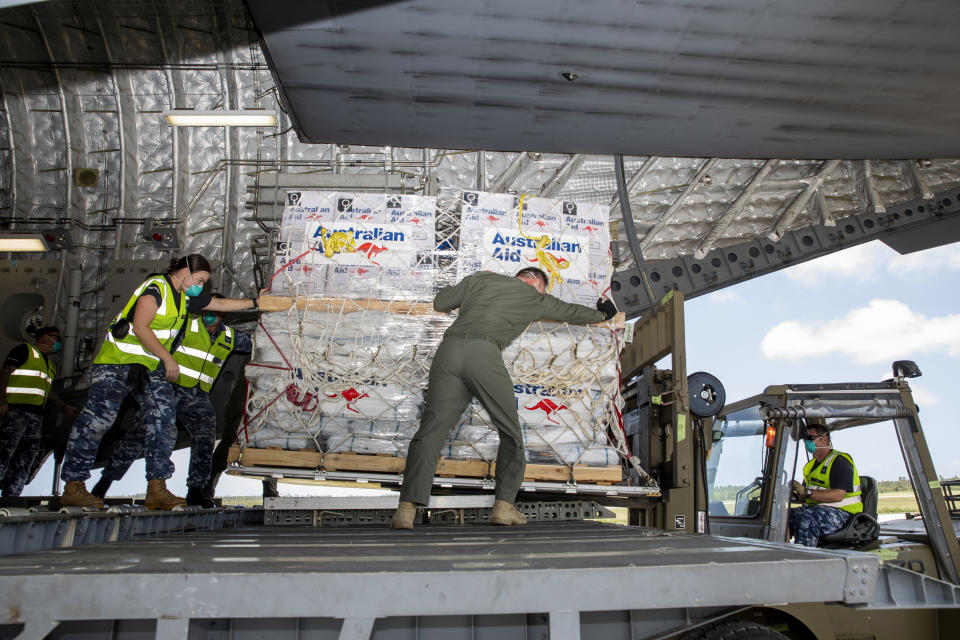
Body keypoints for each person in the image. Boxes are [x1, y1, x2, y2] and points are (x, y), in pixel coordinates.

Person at [390, 267, 618, 529]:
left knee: (431, 430)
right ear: (537, 283)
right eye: (544, 288)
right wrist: (603, 313)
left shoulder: (481, 279)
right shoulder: (535, 297)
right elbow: (573, 312)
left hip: (449, 352)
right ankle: (504, 506)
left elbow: (441, 302)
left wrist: (462, 284)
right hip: (484, 355)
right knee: (510, 431)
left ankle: (406, 510)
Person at [59, 254, 257, 510]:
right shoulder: (156, 288)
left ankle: (157, 489)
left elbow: (221, 304)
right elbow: (141, 326)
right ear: (184, 270)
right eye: (198, 280)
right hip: (119, 362)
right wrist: (167, 359)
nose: (200, 286)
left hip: (149, 367)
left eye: (204, 282)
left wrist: (255, 301)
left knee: (163, 422)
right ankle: (74, 485)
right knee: (98, 421)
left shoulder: (186, 300)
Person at [91, 299, 252, 507]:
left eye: (216, 312)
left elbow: (260, 343)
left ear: (223, 315)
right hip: (169, 388)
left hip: (197, 396)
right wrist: (140, 361)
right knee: (138, 436)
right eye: (208, 311)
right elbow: (153, 337)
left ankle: (196, 490)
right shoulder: (185, 327)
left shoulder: (230, 337)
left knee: (205, 436)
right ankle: (104, 483)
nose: (211, 315)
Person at [0, 327, 80, 496]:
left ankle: (11, 497)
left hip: (35, 417)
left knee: (25, 458)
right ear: (43, 337)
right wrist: (2, 401)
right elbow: (5, 373)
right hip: (15, 412)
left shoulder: (49, 365)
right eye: (55, 338)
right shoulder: (24, 351)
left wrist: (63, 406)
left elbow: (48, 391)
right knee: (4, 453)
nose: (58, 343)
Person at [788, 421, 862, 546]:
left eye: (810, 438)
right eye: (805, 439)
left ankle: (805, 558)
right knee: (784, 517)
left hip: (843, 514)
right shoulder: (810, 466)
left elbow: (838, 495)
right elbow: (804, 496)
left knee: (807, 519)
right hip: (818, 509)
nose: (807, 442)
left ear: (824, 439)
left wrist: (807, 493)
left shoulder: (839, 461)